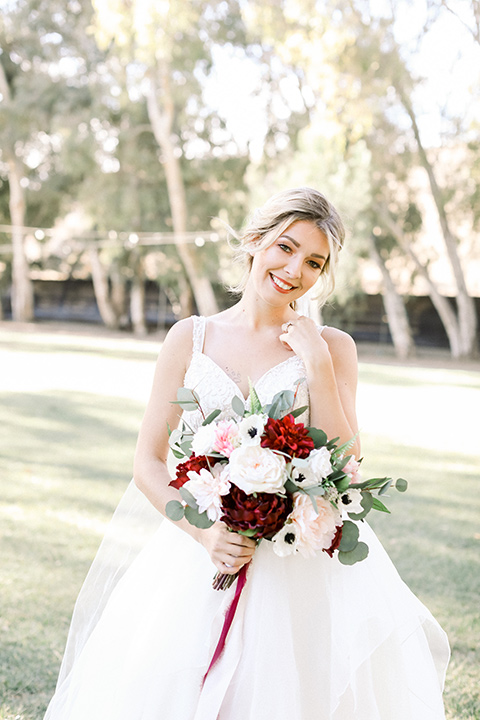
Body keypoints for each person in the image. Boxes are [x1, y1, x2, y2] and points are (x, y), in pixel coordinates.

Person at [44, 187, 449, 720]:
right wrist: (205, 532)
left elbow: (348, 462)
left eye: (314, 263)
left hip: (298, 562)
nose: (294, 270)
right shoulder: (189, 339)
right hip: (202, 553)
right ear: (256, 242)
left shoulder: (335, 347)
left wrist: (317, 364)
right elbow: (147, 462)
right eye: (285, 247)